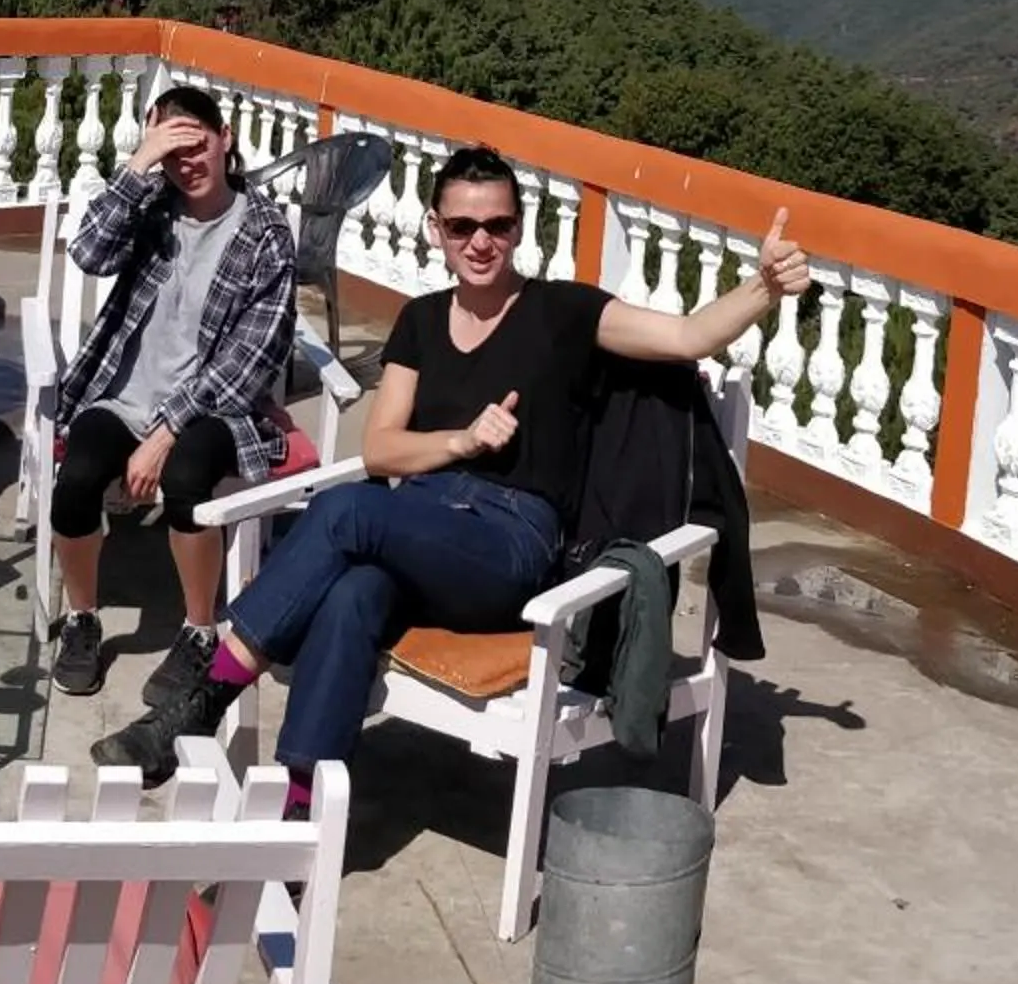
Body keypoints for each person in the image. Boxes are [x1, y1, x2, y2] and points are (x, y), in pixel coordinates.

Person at [92, 142, 813, 799]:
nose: (481, 242)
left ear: (519, 229)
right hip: (418, 526)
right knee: (352, 596)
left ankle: (204, 697)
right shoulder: (421, 321)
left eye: (497, 226)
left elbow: (687, 336)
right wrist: (462, 441)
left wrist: (764, 289)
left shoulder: (564, 311)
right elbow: (382, 451)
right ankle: (298, 815)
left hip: (511, 544)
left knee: (344, 514)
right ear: (436, 228)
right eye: (463, 226)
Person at [45, 86, 300, 700]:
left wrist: (165, 431)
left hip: (214, 406)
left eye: (196, 143)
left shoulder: (264, 232)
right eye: (170, 150)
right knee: (77, 477)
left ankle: (199, 630)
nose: (185, 161)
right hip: (122, 394)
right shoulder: (151, 209)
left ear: (226, 138)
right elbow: (87, 252)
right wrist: (138, 165)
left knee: (187, 477)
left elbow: (251, 359)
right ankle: (82, 617)